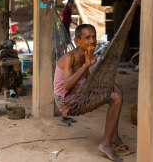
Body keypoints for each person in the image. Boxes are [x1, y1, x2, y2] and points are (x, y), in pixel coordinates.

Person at [53, 24, 124, 161]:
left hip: (80, 92)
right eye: (87, 38)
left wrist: (90, 65)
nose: (92, 41)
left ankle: (113, 134)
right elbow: (67, 85)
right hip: (68, 102)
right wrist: (86, 65)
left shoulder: (86, 54)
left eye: (94, 37)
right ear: (77, 42)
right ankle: (105, 144)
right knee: (116, 97)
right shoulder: (69, 57)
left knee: (118, 88)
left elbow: (89, 80)